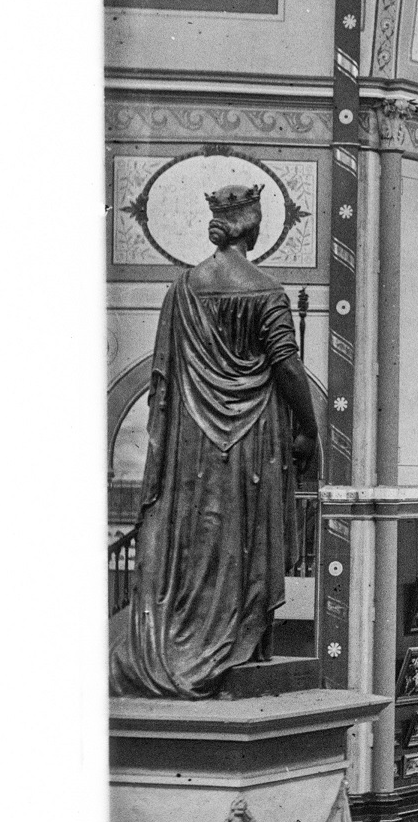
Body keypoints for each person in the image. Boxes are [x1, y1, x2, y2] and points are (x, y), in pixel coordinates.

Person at [110, 185, 319, 697]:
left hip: (193, 443)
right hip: (252, 440)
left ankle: (187, 634)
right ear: (254, 227)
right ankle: (242, 642)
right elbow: (287, 367)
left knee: (200, 534)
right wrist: (309, 429)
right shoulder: (265, 291)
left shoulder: (183, 289)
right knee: (244, 536)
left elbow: (164, 381)